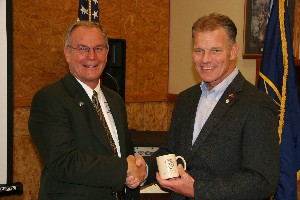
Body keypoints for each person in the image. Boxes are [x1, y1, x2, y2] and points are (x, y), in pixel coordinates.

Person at [144, 13, 280, 200]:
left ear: (233, 51)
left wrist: (197, 189)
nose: (205, 59)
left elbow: (261, 181)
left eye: (215, 51)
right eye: (199, 51)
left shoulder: (257, 105)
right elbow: (172, 152)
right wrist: (143, 168)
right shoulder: (186, 99)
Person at [28, 20, 147, 200]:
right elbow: (64, 162)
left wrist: (138, 165)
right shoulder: (50, 99)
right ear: (67, 53)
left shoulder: (115, 100)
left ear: (107, 54)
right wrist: (124, 167)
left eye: (98, 48)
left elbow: (124, 153)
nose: (92, 56)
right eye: (82, 49)